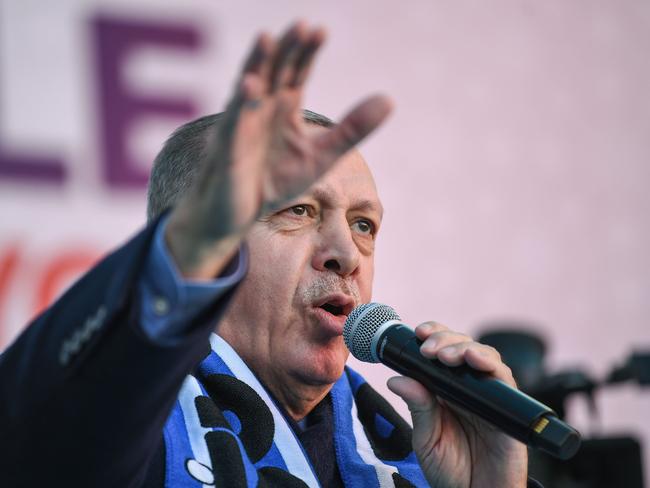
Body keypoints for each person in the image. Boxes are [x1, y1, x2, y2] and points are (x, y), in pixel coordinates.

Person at [0, 22, 533, 487]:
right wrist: (177, 261)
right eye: (297, 210)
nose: (346, 254)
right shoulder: (121, 430)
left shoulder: (421, 462)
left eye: (364, 225)